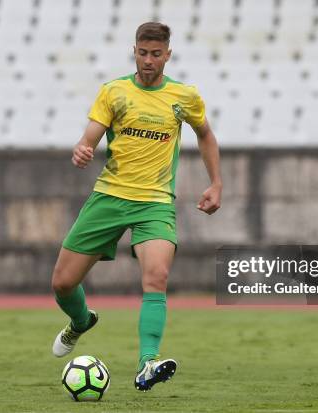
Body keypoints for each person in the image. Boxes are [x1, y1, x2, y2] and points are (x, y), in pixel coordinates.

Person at [50, 22, 222, 391]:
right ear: (135, 51)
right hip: (110, 197)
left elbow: (205, 135)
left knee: (156, 277)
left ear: (168, 55)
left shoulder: (183, 96)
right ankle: (80, 322)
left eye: (156, 54)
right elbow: (90, 136)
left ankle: (148, 363)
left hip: (155, 203)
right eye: (143, 53)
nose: (148, 61)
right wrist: (83, 148)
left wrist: (216, 183)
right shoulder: (114, 92)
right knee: (63, 283)